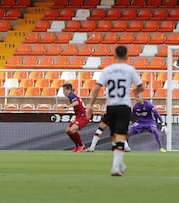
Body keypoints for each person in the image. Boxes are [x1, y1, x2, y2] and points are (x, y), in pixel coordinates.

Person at [86, 45, 144, 176]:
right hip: (124, 106)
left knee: (115, 136)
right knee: (120, 136)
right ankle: (115, 167)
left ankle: (120, 164)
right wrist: (135, 91)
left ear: (115, 55)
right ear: (127, 56)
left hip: (111, 107)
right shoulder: (130, 70)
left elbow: (96, 88)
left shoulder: (107, 70)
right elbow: (141, 86)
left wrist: (90, 105)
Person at [62, 83, 89, 152]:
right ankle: (77, 146)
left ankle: (81, 145)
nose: (63, 92)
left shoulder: (72, 95)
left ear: (69, 90)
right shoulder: (71, 96)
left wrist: (68, 106)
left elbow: (76, 102)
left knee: (71, 130)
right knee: (68, 131)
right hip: (78, 116)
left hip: (83, 116)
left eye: (64, 90)